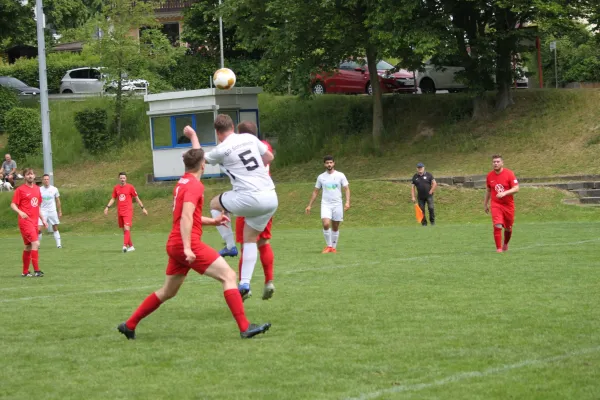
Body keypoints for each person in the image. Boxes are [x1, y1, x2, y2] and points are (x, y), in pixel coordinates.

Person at [117, 130, 270, 340]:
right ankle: (244, 327)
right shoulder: (196, 186)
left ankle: (130, 324)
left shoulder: (182, 182)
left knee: (168, 292)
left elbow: (187, 216)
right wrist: (188, 247)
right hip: (185, 244)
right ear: (203, 165)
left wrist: (213, 221)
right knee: (229, 276)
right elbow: (187, 218)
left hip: (174, 243)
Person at [183, 114, 278, 301]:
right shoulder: (249, 138)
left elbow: (197, 160)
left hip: (249, 197)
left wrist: (193, 136)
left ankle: (230, 245)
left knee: (214, 203)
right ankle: (244, 283)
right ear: (233, 127)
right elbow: (268, 157)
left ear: (218, 133)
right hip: (271, 196)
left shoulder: (221, 149)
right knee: (251, 238)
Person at [231, 121, 275, 300]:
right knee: (263, 242)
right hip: (267, 196)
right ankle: (269, 281)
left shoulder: (241, 147)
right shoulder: (265, 145)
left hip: (248, 197)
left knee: (246, 244)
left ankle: (244, 287)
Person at [305, 155, 350, 253]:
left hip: (337, 204)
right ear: (324, 164)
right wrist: (309, 205)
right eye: (327, 163)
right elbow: (315, 191)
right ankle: (329, 246)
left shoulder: (340, 175)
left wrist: (347, 202)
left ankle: (333, 248)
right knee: (326, 224)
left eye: (331, 162)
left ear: (334, 163)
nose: (329, 164)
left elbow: (346, 189)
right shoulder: (321, 177)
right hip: (326, 204)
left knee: (335, 227)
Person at [10, 168, 47, 277]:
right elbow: (13, 204)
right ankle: (37, 271)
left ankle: (25, 272)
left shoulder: (37, 189)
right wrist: (20, 212)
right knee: (36, 243)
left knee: (28, 247)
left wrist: (43, 219)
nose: (30, 176)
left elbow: (37, 206)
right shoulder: (20, 190)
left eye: (32, 174)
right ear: (24, 177)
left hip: (34, 221)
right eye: (28, 174)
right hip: (25, 221)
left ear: (34, 176)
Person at [104, 172, 148, 252]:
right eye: (121, 178)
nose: (122, 179)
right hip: (120, 212)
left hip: (128, 211)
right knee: (124, 230)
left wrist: (143, 208)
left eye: (124, 178)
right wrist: (107, 207)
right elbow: (113, 198)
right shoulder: (116, 188)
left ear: (126, 178)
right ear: (119, 179)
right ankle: (131, 246)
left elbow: (137, 198)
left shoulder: (130, 187)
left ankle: (124, 246)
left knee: (127, 228)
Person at [484, 154, 519, 252]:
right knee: (497, 225)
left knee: (508, 228)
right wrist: (485, 204)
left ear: (502, 163)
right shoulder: (489, 175)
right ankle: (498, 249)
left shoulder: (509, 174)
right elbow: (488, 191)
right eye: (494, 162)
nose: (495, 163)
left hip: (508, 205)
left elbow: (516, 188)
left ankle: (505, 244)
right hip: (496, 204)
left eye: (498, 161)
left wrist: (505, 193)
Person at [37, 174, 63, 248]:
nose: (46, 180)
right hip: (42, 211)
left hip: (52, 211)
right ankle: (37, 245)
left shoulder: (54, 189)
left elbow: (58, 201)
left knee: (55, 227)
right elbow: (37, 202)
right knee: (39, 228)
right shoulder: (39, 189)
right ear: (42, 180)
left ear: (49, 180)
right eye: (44, 179)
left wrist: (59, 211)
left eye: (47, 179)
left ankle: (59, 245)